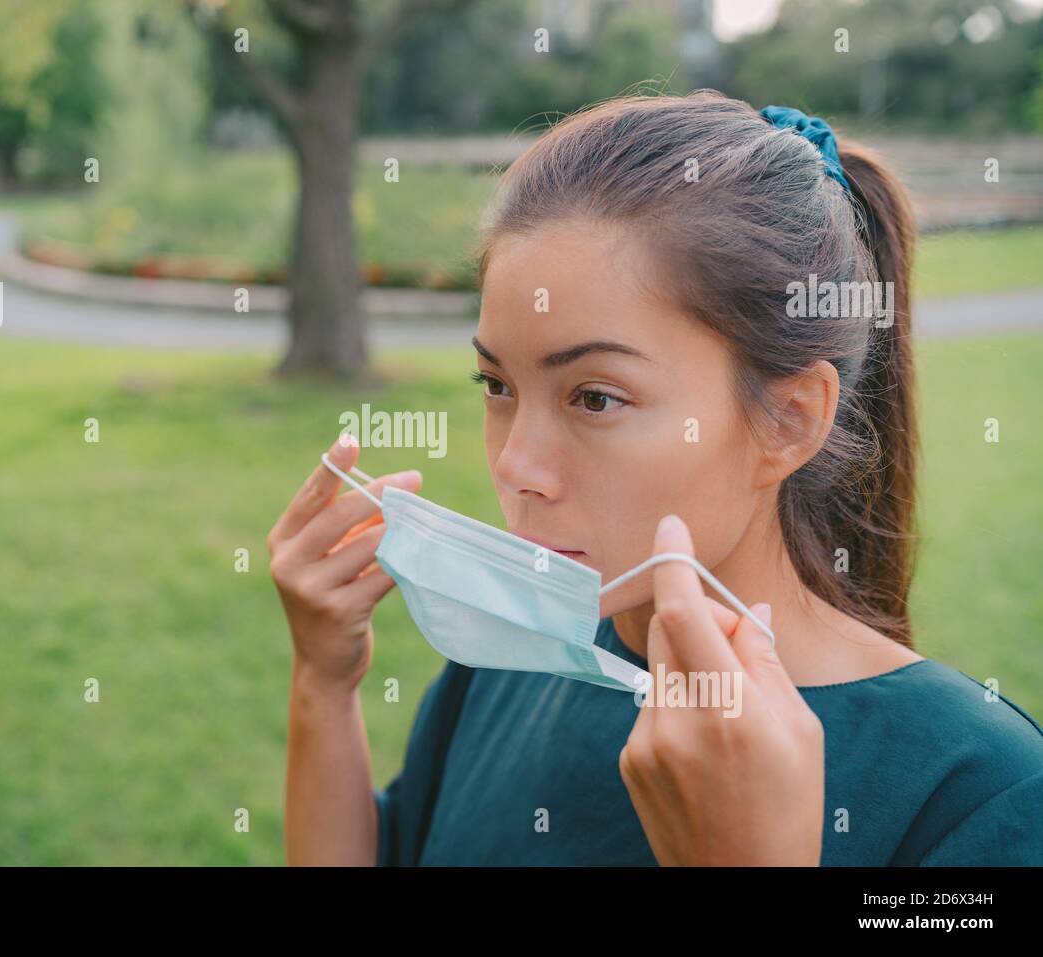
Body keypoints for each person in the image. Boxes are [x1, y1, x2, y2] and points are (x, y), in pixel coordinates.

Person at [269, 91, 1043, 865]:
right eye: (497, 386)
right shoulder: (510, 663)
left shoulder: (979, 794)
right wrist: (322, 685)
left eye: (596, 397)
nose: (516, 466)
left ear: (789, 420)